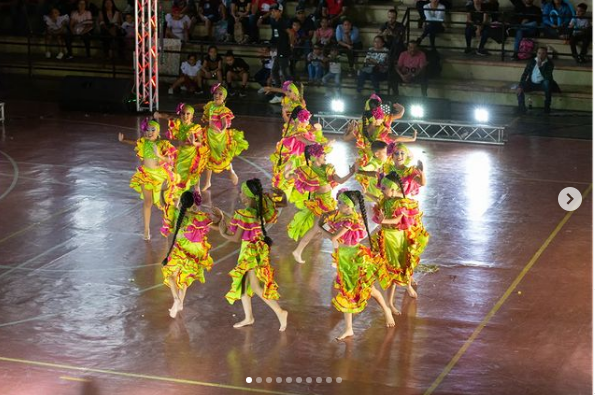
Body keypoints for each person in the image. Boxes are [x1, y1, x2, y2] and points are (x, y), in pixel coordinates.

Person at [319, 189, 396, 340]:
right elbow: (332, 231)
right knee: (346, 292)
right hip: (343, 258)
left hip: (354, 259)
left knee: (369, 289)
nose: (337, 204)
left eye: (340, 202)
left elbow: (334, 237)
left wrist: (320, 227)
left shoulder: (351, 221)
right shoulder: (342, 215)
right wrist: (325, 223)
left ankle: (386, 310)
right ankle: (349, 328)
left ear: (348, 206)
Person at [214, 178, 289, 331]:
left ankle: (280, 312)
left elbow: (235, 237)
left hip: (249, 251)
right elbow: (282, 204)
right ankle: (249, 317)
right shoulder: (263, 205)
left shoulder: (245, 214)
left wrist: (222, 232)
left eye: (241, 192)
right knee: (242, 283)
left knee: (254, 286)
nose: (240, 194)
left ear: (247, 197)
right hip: (257, 247)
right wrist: (283, 195)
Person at [288, 143, 357, 264]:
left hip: (328, 202)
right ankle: (298, 251)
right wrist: (288, 174)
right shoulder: (307, 171)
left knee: (329, 229)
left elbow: (340, 180)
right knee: (318, 229)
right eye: (322, 153)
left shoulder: (328, 168)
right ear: (314, 157)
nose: (325, 155)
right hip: (320, 204)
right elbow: (293, 178)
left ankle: (335, 259)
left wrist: (351, 173)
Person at [372, 171, 429, 313]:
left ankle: (405, 287)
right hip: (386, 237)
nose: (381, 190)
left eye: (384, 188)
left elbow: (398, 220)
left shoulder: (400, 203)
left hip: (397, 239)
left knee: (403, 265)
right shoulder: (386, 200)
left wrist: (383, 220)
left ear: (393, 189)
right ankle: (390, 303)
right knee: (391, 271)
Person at [161, 190, 219, 318]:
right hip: (195, 252)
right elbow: (217, 226)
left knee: (171, 275)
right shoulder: (199, 218)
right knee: (185, 279)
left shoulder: (176, 214)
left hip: (181, 250)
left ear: (181, 203)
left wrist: (162, 192)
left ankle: (176, 298)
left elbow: (164, 204)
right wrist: (220, 217)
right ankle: (180, 303)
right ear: (194, 204)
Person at [118, 119, 177, 240]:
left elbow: (170, 160)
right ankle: (146, 229)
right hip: (146, 175)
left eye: (153, 130)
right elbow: (135, 143)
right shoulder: (143, 142)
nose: (150, 132)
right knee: (148, 202)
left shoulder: (162, 144)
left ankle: (167, 225)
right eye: (147, 130)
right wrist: (123, 140)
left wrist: (159, 155)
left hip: (160, 175)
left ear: (158, 131)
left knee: (163, 203)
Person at [154, 103, 210, 195]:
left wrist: (193, 142)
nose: (185, 116)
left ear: (192, 116)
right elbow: (169, 117)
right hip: (181, 153)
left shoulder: (195, 128)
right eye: (183, 113)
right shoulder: (178, 124)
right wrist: (159, 115)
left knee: (194, 172)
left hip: (192, 154)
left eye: (188, 114)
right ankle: (180, 190)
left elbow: (201, 143)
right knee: (179, 171)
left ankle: (197, 188)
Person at [200, 84, 249, 190]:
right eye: (216, 93)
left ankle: (231, 171)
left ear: (224, 97)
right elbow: (207, 118)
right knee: (208, 158)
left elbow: (224, 124)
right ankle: (208, 182)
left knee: (221, 158)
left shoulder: (223, 109)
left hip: (218, 138)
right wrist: (207, 120)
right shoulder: (210, 105)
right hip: (209, 135)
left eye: (220, 94)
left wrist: (220, 131)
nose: (217, 95)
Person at [516, 46, 559, 114]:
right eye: (539, 53)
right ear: (537, 54)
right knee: (519, 87)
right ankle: (522, 108)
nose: (540, 55)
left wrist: (540, 66)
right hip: (532, 83)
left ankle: (547, 107)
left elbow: (547, 76)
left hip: (542, 84)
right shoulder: (532, 61)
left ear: (546, 54)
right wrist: (521, 85)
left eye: (543, 53)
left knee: (547, 83)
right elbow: (525, 74)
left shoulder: (549, 63)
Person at [269, 3, 293, 103]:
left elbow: (291, 33)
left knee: (285, 73)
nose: (273, 13)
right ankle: (279, 92)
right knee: (274, 71)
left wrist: (291, 44)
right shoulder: (273, 22)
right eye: (272, 11)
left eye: (275, 11)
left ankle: (287, 94)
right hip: (279, 50)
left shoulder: (283, 22)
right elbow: (275, 36)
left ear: (280, 12)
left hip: (284, 50)